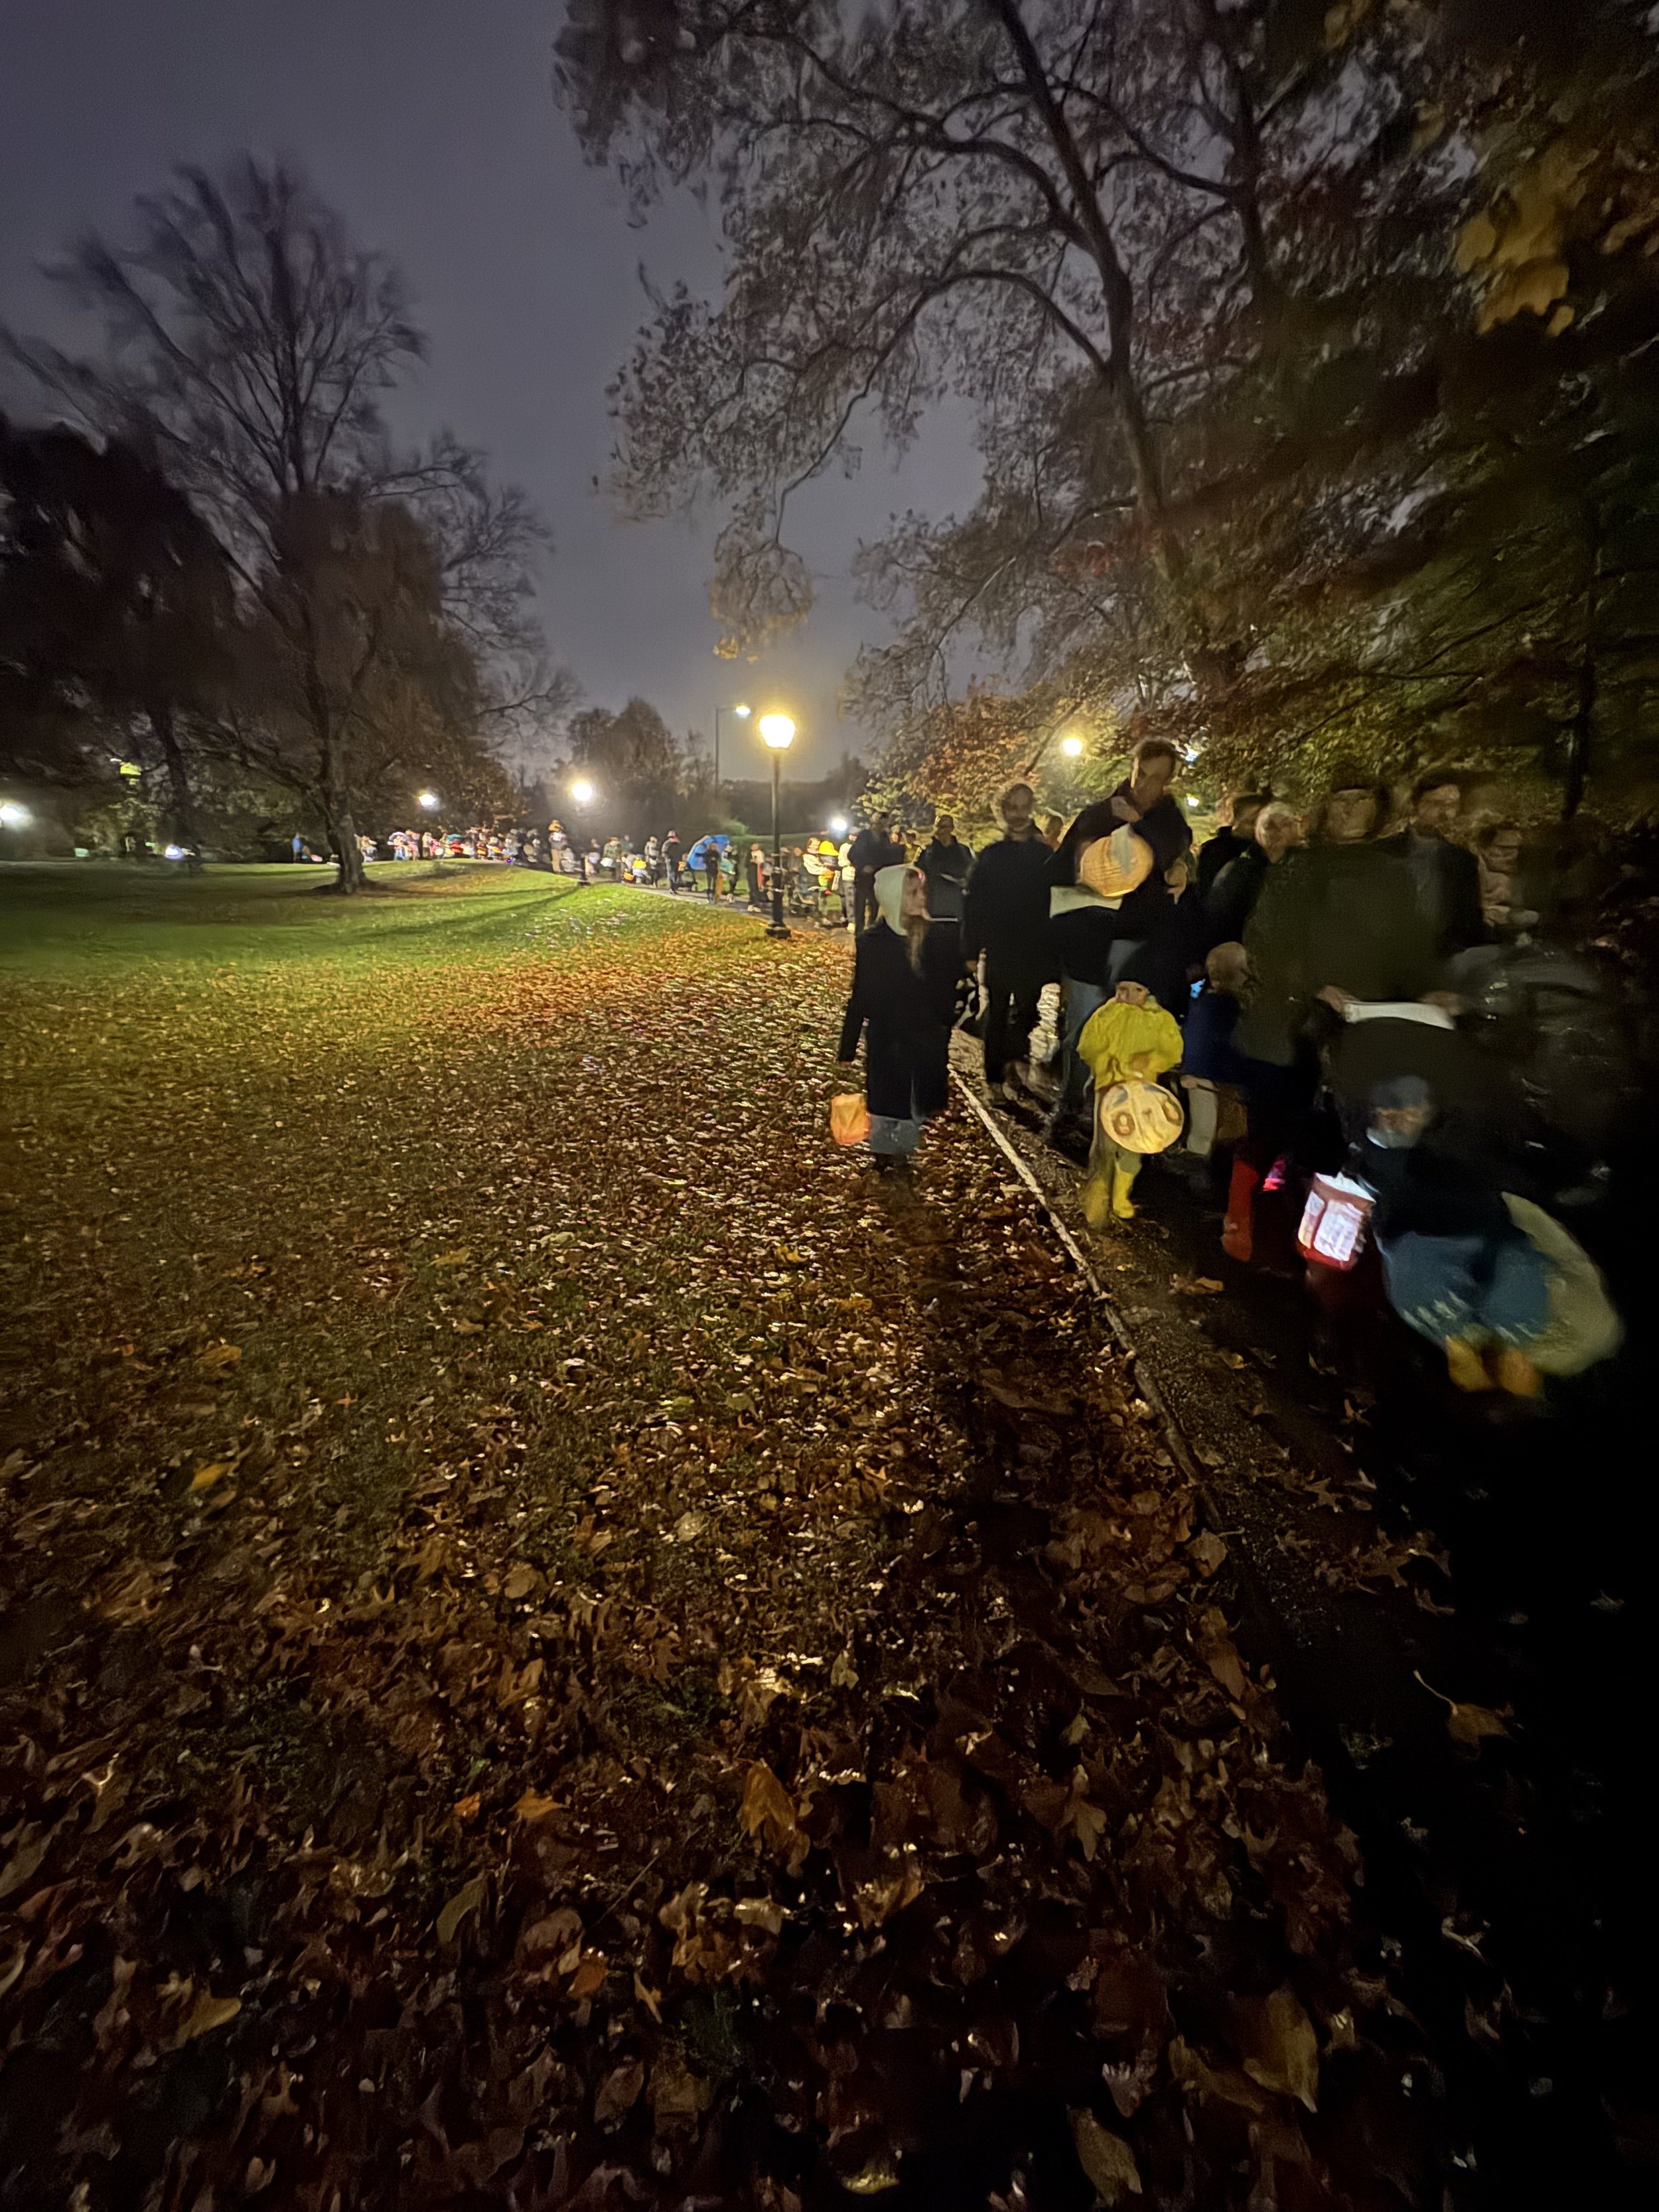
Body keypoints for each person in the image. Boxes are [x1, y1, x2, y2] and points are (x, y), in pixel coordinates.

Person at [1047, 736, 1193, 1134]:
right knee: (1083, 1025)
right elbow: (1059, 869)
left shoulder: (1169, 823)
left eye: (1157, 779)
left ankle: (1113, 1113)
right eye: (1142, 775)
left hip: (1138, 945)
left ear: (1168, 782)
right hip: (1089, 939)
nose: (1146, 786)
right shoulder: (1097, 815)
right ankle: (1070, 1103)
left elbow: (1175, 851)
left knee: (1126, 1032)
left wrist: (1139, 828)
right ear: (1132, 768)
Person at [834, 864, 957, 1175]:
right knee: (885, 1097)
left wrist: (944, 1024)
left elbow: (946, 989)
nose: (920, 898)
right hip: (888, 1035)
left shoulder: (937, 938)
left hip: (925, 1035)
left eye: (921, 891)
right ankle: (883, 1151)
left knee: (915, 1103)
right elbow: (861, 992)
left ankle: (901, 1150)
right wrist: (847, 1045)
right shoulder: (873, 942)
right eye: (911, 893)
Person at [962, 781, 1054, 1100]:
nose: (1018, 814)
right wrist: (971, 949)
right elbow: (973, 904)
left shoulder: (1044, 855)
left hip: (1034, 947)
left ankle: (1012, 1058)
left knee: (1029, 1010)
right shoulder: (991, 857)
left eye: (1023, 806)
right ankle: (995, 1078)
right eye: (1012, 807)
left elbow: (1055, 903)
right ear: (1003, 811)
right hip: (1001, 946)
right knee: (998, 1012)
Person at [1076, 980, 1184, 1224]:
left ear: (1147, 992)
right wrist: (1106, 1062)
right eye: (1122, 989)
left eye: (1137, 990)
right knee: (1103, 1146)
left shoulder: (1160, 1020)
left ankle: (1121, 1194)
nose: (1127, 996)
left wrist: (1149, 1062)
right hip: (1109, 1091)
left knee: (1133, 1148)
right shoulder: (1106, 1013)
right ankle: (1097, 1193)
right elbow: (1088, 1046)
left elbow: (1172, 1052)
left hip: (1142, 1094)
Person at [1377, 767, 1486, 960]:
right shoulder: (1383, 853)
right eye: (1436, 804)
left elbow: (1470, 926)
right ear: (1416, 805)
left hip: (1442, 963)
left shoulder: (1463, 861)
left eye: (1451, 805)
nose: (1445, 814)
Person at [1205, 800, 1302, 946]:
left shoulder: (1307, 869)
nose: (1277, 831)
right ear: (1258, 831)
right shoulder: (1238, 871)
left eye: (1285, 824)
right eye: (1269, 825)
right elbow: (1218, 918)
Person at [1196, 792, 1270, 897]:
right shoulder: (1217, 850)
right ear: (1238, 821)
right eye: (1252, 822)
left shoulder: (1264, 849)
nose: (1258, 828)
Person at [1473, 820, 1538, 938]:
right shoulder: (1472, 870)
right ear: (1483, 848)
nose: (1515, 854)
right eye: (1506, 849)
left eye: (1519, 849)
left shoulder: (1527, 872)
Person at [849, 812, 906, 934]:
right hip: (863, 877)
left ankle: (871, 930)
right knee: (860, 906)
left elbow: (886, 855)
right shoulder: (864, 836)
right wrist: (863, 866)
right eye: (881, 824)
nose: (883, 827)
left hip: (877, 877)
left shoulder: (884, 837)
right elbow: (853, 854)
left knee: (875, 905)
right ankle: (859, 932)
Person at [916, 814, 974, 923]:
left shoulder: (963, 851)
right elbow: (917, 875)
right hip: (933, 904)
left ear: (952, 829)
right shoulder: (927, 852)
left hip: (957, 906)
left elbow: (971, 873)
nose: (942, 830)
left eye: (945, 827)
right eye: (939, 826)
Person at [746, 842, 766, 911]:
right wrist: (751, 861)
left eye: (755, 846)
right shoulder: (749, 854)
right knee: (752, 888)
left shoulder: (761, 854)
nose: (753, 848)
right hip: (752, 873)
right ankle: (752, 902)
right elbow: (746, 864)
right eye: (752, 846)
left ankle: (757, 903)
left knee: (758, 888)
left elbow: (763, 863)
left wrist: (760, 863)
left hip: (760, 873)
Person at [664, 828, 683, 893]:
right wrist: (668, 859)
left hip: (676, 860)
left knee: (676, 874)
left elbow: (680, 852)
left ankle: (674, 887)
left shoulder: (677, 843)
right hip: (670, 861)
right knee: (671, 874)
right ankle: (672, 888)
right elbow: (664, 852)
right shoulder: (668, 843)